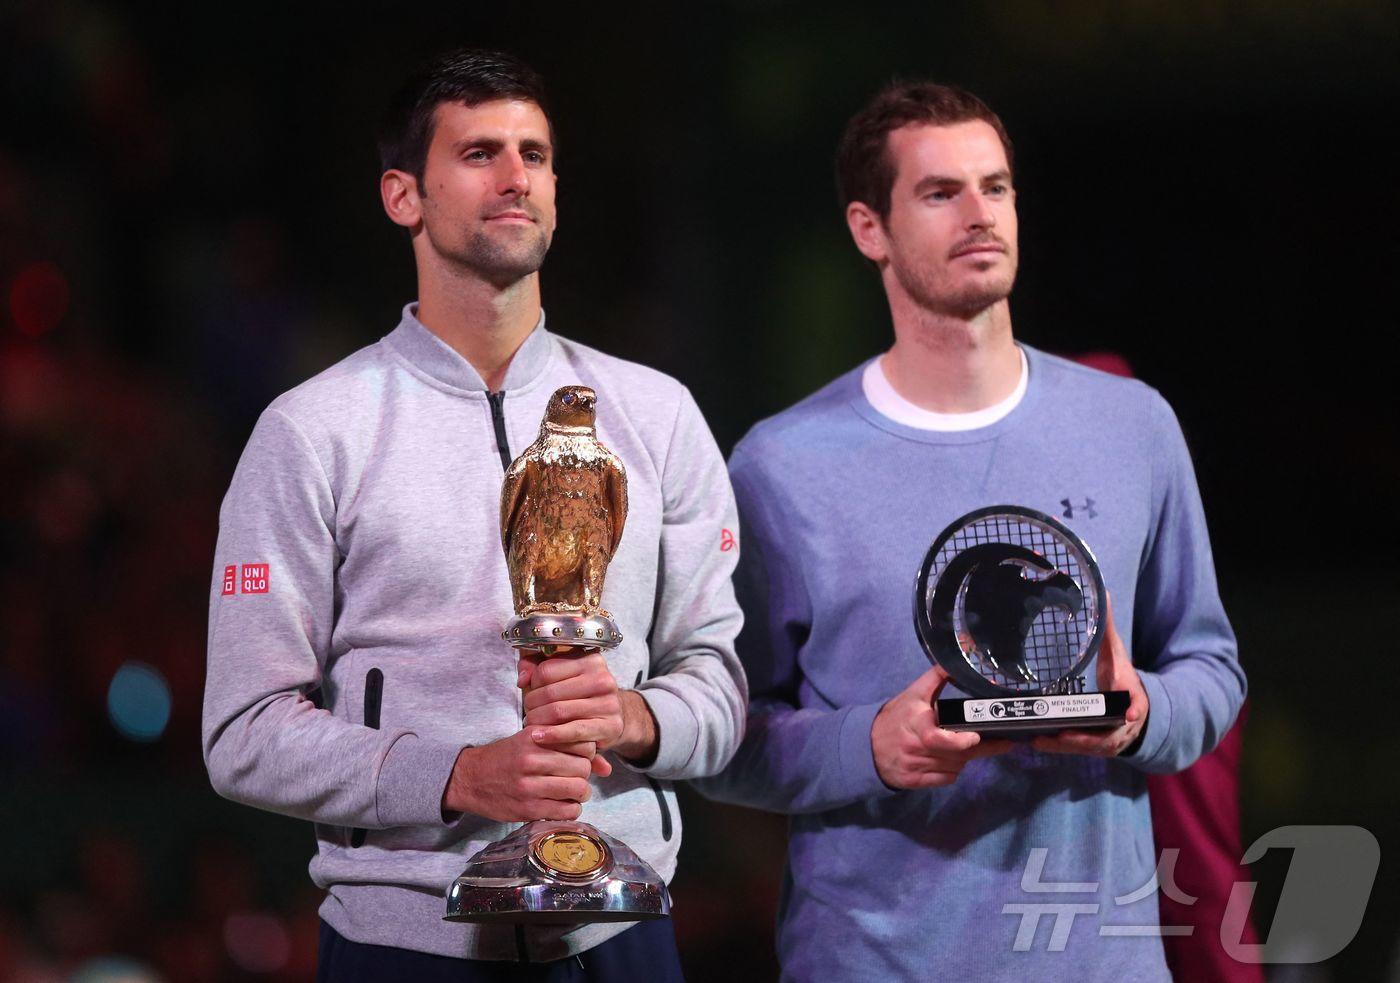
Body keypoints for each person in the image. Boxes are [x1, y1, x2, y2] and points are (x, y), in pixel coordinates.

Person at [202, 48, 746, 980]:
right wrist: (452, 775)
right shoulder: (313, 430)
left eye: (534, 154)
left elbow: (721, 690)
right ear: (402, 196)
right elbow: (242, 731)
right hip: (405, 941)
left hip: (623, 925)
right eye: (480, 153)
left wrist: (632, 716)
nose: (515, 178)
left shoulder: (655, 415)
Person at [695, 81, 1246, 981]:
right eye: (941, 193)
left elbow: (1212, 669)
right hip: (872, 962)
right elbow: (724, 734)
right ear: (869, 228)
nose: (979, 214)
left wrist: (1141, 713)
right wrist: (870, 744)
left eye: (996, 187)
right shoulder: (780, 465)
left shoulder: (1132, 424)